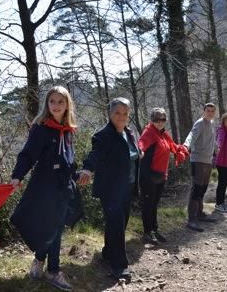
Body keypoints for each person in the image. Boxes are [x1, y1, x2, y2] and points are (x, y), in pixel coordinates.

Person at [10, 86, 86, 291]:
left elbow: (67, 161)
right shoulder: (41, 128)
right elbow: (28, 154)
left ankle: (40, 262)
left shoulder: (68, 131)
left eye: (61, 102)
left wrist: (76, 175)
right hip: (44, 188)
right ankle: (52, 270)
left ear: (67, 104)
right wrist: (17, 175)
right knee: (51, 228)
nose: (56, 106)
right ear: (47, 104)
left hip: (63, 188)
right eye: (52, 101)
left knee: (56, 228)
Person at [81, 98, 139, 281]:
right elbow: (95, 154)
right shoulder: (103, 135)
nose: (121, 117)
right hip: (111, 189)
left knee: (120, 223)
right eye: (117, 113)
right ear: (110, 114)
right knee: (116, 224)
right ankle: (119, 265)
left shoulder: (128, 133)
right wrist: (88, 168)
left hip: (127, 186)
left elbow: (132, 153)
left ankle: (108, 252)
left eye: (125, 113)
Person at [138, 108, 188, 245]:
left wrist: (182, 150)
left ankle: (154, 229)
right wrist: (140, 150)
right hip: (149, 176)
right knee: (148, 204)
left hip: (160, 175)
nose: (160, 122)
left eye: (163, 119)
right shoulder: (149, 132)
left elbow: (173, 146)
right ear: (151, 120)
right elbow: (142, 143)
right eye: (156, 119)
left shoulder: (163, 134)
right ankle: (147, 233)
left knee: (154, 204)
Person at [183, 103, 217, 232]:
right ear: (204, 111)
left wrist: (216, 148)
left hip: (208, 161)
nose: (210, 113)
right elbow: (191, 136)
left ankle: (200, 213)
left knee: (202, 188)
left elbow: (212, 139)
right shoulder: (200, 123)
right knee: (196, 188)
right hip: (197, 160)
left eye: (212, 111)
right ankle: (191, 219)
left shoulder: (211, 123)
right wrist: (186, 146)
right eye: (208, 110)